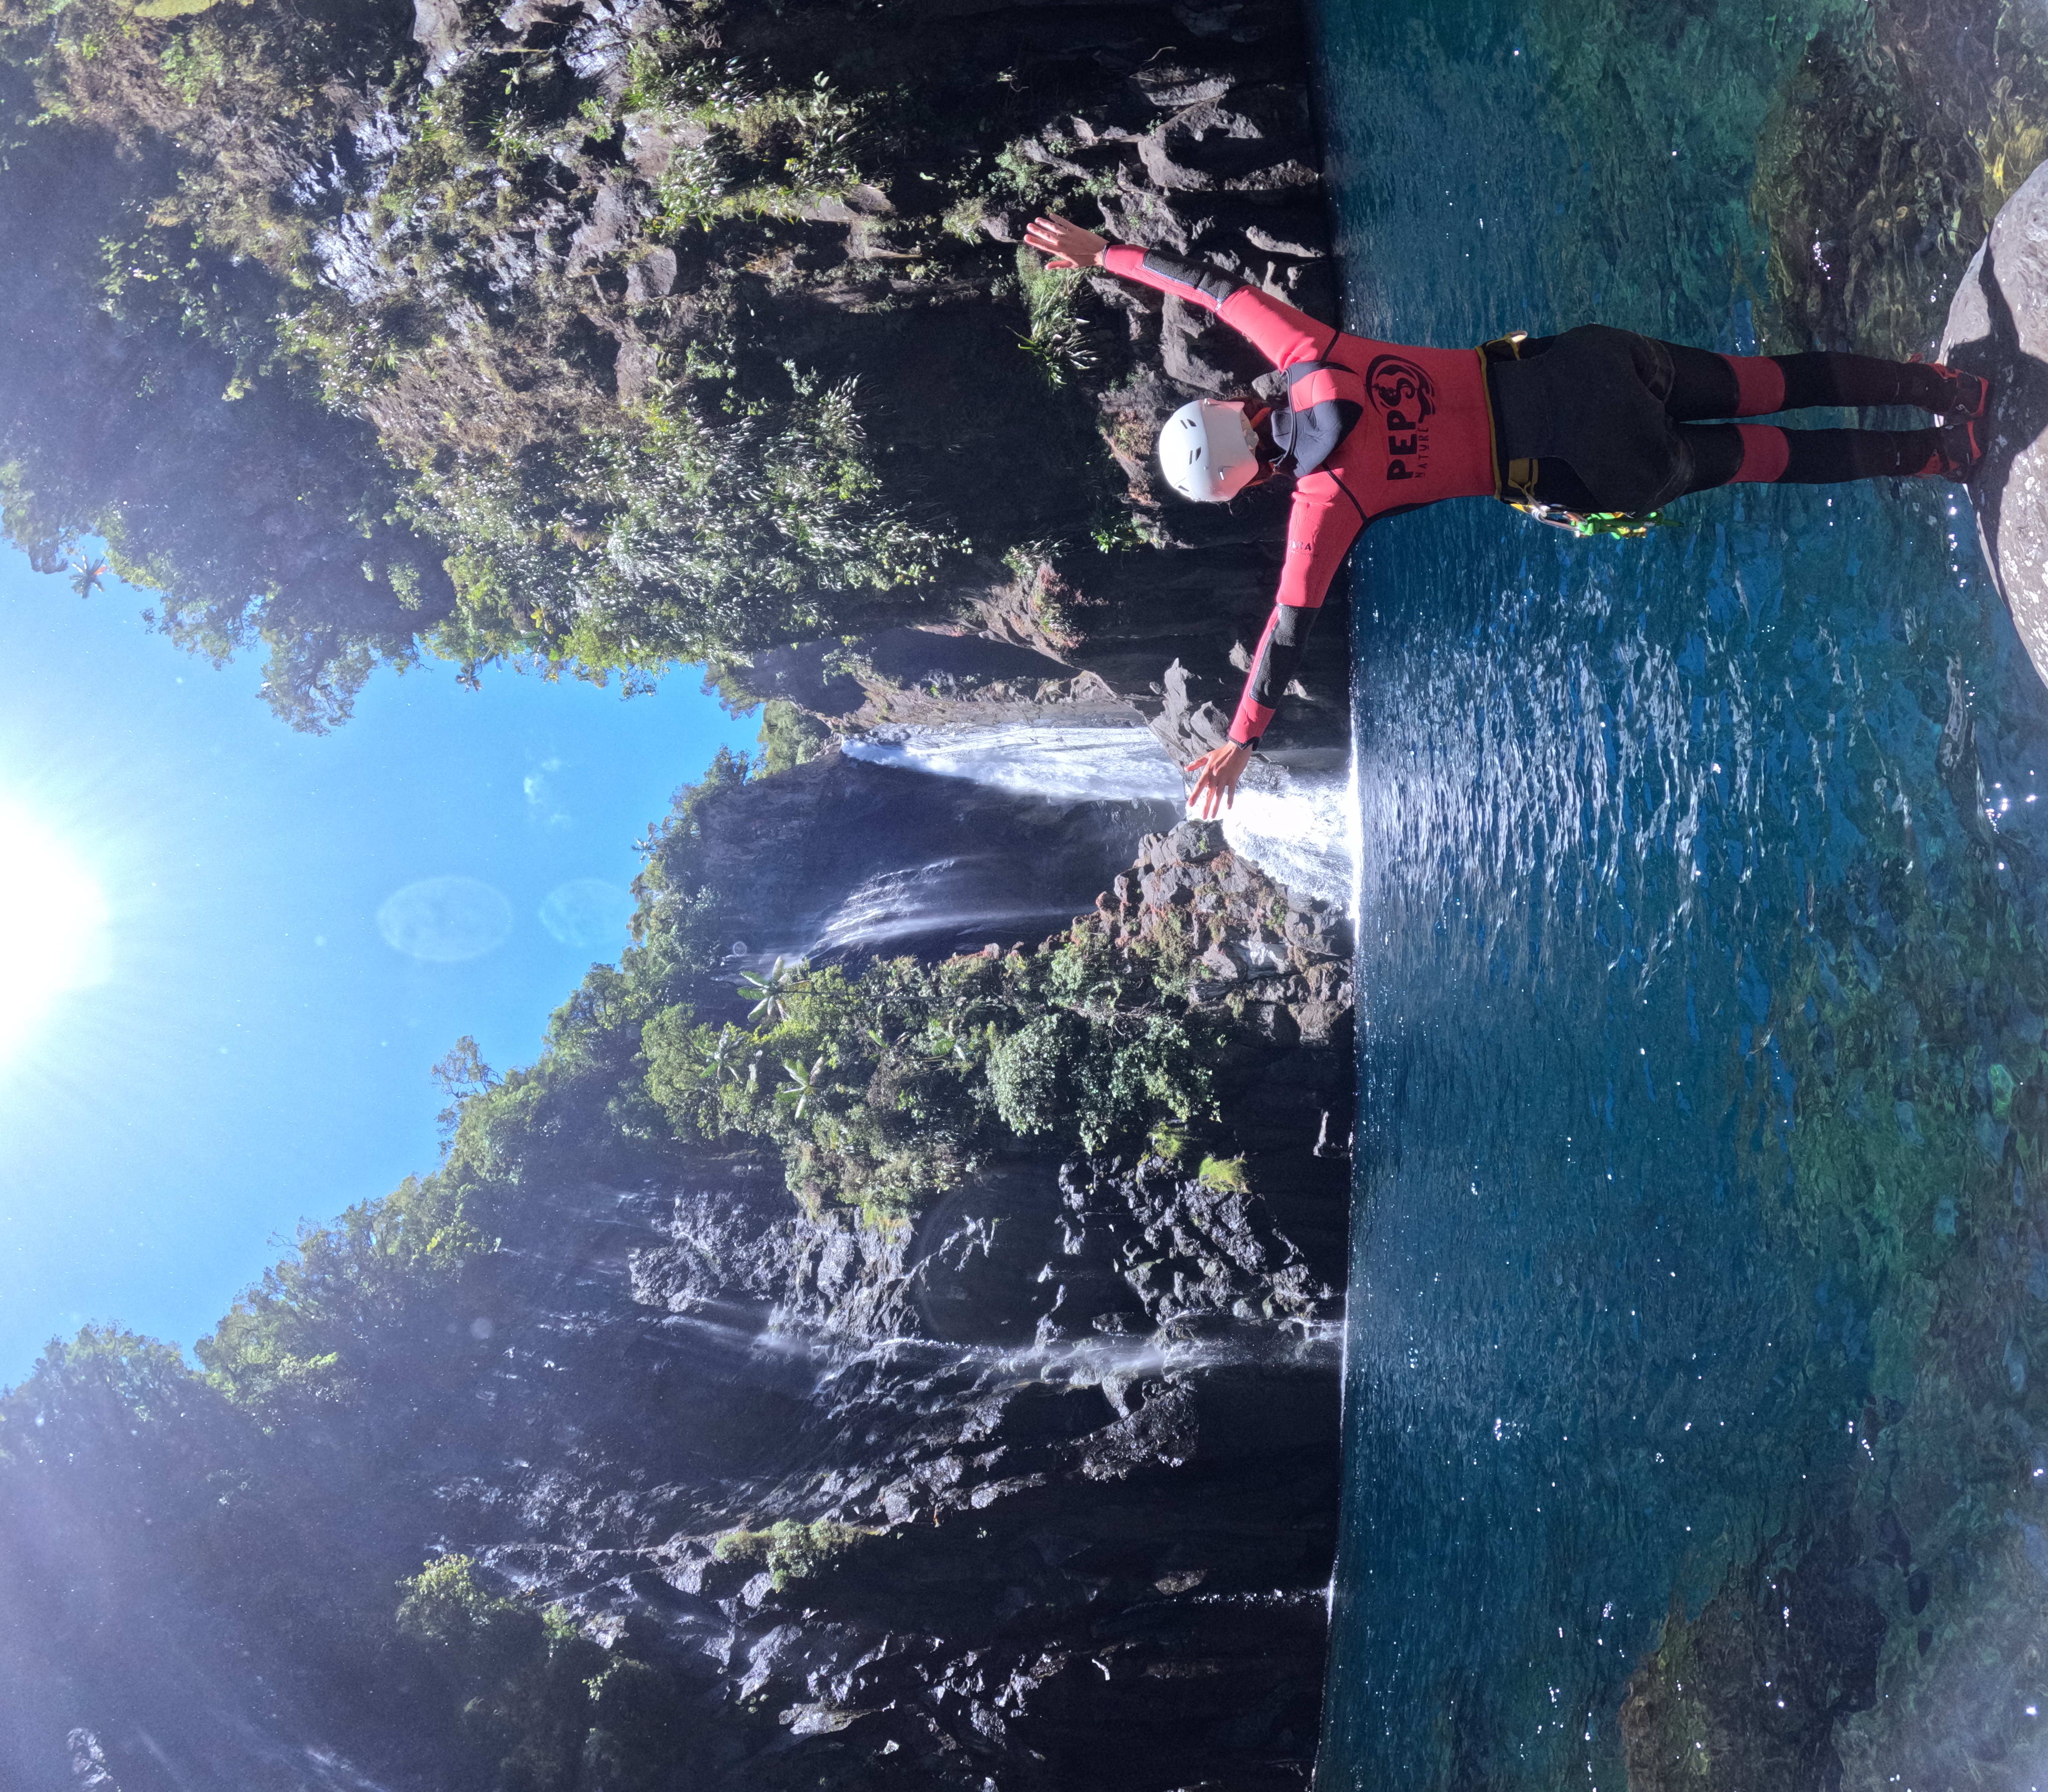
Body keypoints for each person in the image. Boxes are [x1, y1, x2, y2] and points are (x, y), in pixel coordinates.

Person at [1023, 213, 1988, 820]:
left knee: (1762, 457)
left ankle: (1940, 455)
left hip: (1594, 467)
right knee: (1767, 382)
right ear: (1239, 410)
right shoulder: (1311, 352)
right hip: (1590, 365)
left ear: (1248, 483)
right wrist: (1101, 253)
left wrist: (1241, 740)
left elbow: (1286, 631)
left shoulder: (1329, 504)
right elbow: (1212, 288)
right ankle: (1943, 385)